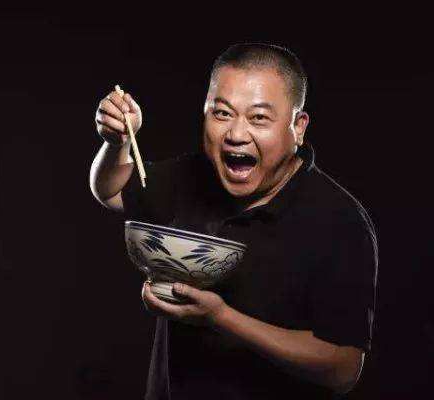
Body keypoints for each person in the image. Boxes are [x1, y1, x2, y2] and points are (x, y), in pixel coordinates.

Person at [90, 43, 378, 399]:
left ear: (298, 127)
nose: (236, 135)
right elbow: (113, 191)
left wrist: (221, 318)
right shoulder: (195, 175)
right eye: (222, 113)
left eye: (258, 118)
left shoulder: (339, 220)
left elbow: (343, 368)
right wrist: (116, 142)